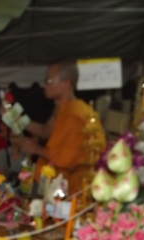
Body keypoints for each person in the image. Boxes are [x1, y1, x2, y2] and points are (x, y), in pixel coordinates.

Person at [6, 60, 106, 195]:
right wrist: (14, 119)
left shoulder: (74, 115)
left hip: (73, 189)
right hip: (58, 186)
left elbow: (68, 163)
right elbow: (44, 132)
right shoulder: (61, 109)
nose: (44, 85)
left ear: (66, 83)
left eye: (49, 81)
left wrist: (35, 148)